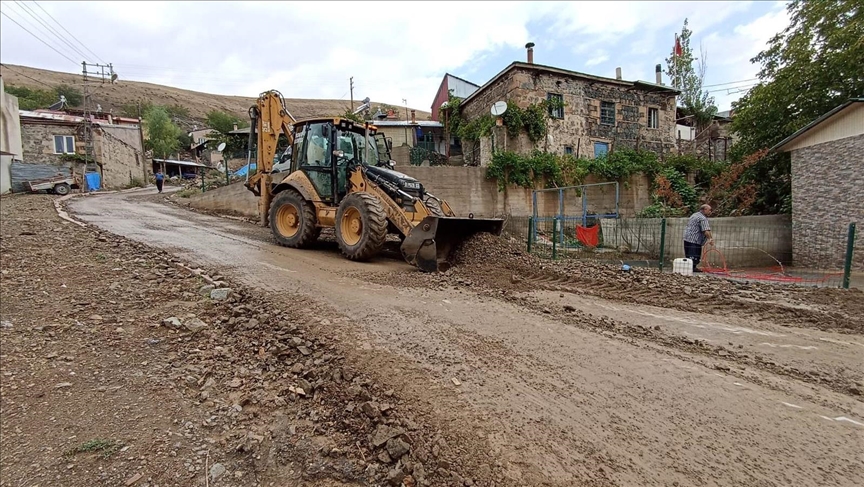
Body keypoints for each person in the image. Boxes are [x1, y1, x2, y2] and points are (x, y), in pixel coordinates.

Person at [683, 204, 713, 272]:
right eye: (709, 210)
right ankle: (692, 268)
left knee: (689, 255)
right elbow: (706, 231)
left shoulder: (694, 215)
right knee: (694, 255)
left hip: (687, 238)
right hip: (695, 240)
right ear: (704, 210)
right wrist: (710, 239)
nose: (710, 212)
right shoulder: (702, 218)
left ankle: (690, 267)